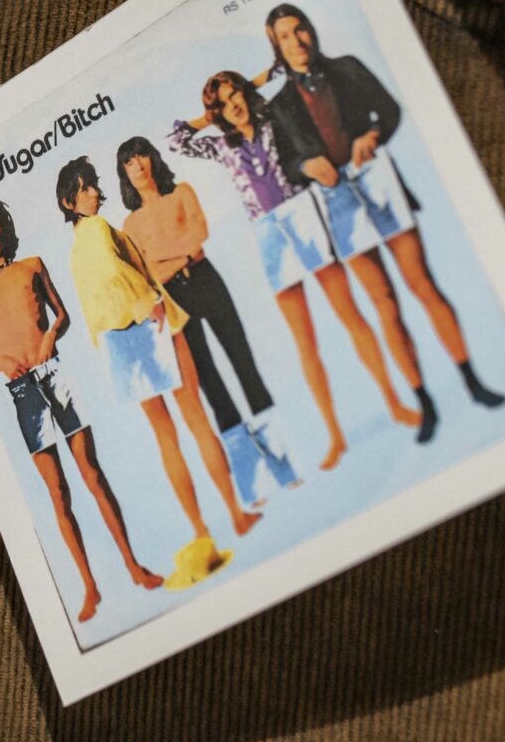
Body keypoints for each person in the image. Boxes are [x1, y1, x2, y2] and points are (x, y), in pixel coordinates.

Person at [263, 4, 505, 444]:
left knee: (423, 285)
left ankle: (473, 381)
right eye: (285, 36)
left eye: (300, 29)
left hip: (379, 183)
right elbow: (285, 164)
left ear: (311, 30)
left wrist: (373, 134)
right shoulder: (279, 105)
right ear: (276, 47)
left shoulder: (347, 68)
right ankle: (425, 403)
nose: (296, 41)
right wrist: (305, 166)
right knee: (384, 304)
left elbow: (389, 110)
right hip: (336, 205)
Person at [170, 70, 420, 468]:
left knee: (351, 316)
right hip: (269, 234)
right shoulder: (220, 146)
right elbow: (176, 139)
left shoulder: (271, 119)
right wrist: (211, 114)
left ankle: (394, 403)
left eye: (237, 95)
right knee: (305, 342)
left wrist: (252, 85)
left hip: (304, 215)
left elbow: (281, 92)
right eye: (225, 102)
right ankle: (335, 436)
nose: (234, 105)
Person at [0, 195, 161, 623]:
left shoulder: (32, 266)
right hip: (22, 393)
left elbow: (63, 316)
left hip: (55, 374)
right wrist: (4, 364)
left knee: (92, 473)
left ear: (4, 229)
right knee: (58, 492)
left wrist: (51, 336)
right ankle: (90, 587)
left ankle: (133, 566)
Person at [57, 156, 250, 593]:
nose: (94, 192)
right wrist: (151, 303)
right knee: (195, 419)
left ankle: (201, 530)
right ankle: (236, 514)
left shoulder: (75, 249)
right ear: (70, 202)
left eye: (93, 185)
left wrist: (110, 342)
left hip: (120, 345)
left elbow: (93, 305)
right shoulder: (99, 228)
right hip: (153, 327)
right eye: (84, 189)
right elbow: (117, 273)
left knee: (167, 439)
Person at [114, 135, 299, 504]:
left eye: (141, 157)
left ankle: (284, 465)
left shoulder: (181, 192)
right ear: (124, 175)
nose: (138, 166)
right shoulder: (129, 224)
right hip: (175, 298)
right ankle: (252, 482)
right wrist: (178, 254)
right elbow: (148, 270)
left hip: (207, 279)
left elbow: (199, 235)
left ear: (153, 158)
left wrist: (164, 255)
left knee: (244, 365)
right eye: (129, 163)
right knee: (211, 384)